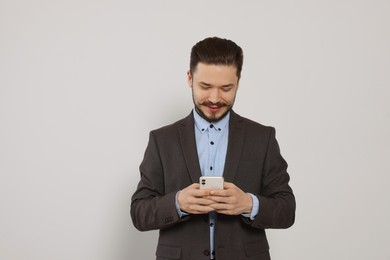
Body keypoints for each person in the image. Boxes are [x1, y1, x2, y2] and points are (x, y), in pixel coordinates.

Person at [131, 37, 295, 260]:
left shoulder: (262, 137)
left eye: (226, 88)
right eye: (205, 86)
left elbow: (287, 210)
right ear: (190, 78)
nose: (215, 98)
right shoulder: (162, 140)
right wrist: (178, 203)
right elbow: (139, 213)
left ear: (238, 81)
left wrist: (248, 203)